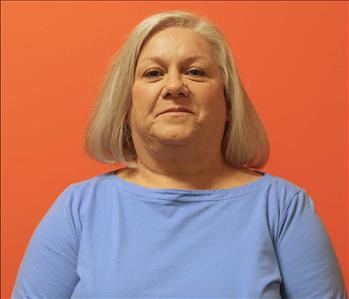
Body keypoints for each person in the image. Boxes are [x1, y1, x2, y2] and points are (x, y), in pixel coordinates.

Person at [12, 10, 347, 299]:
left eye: (195, 72)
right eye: (153, 73)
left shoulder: (284, 208)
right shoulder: (79, 209)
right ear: (126, 107)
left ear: (228, 102)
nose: (174, 86)